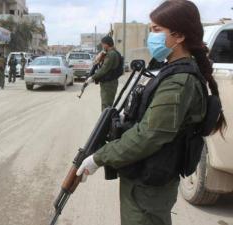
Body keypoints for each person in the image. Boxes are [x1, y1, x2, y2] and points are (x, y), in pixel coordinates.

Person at [76, 1, 227, 225]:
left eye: (157, 30)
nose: (151, 36)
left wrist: (99, 157)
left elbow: (150, 135)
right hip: (144, 177)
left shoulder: (179, 82)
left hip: (149, 185)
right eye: (150, 30)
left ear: (179, 36)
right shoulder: (170, 71)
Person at [86, 36, 121, 111]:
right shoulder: (112, 53)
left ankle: (105, 122)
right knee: (107, 105)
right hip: (109, 83)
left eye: (102, 44)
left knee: (106, 106)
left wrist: (92, 77)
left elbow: (104, 69)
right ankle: (107, 121)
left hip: (108, 84)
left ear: (106, 44)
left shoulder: (111, 54)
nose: (102, 46)